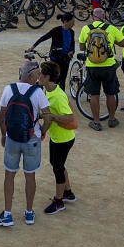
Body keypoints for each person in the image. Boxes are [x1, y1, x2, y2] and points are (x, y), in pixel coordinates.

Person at [0, 60, 51, 228]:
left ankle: (8, 214)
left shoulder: (8, 89)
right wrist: (43, 131)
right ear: (31, 75)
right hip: (32, 138)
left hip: (12, 138)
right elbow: (47, 117)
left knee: (9, 175)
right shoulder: (38, 92)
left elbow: (2, 116)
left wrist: (4, 134)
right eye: (37, 74)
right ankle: (29, 212)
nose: (39, 77)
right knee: (30, 175)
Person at [39, 60, 77, 214]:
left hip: (64, 138)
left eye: (41, 74)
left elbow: (69, 118)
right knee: (56, 163)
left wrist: (52, 117)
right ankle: (68, 192)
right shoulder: (47, 90)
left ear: (48, 77)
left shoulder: (58, 96)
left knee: (57, 168)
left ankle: (59, 201)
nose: (39, 76)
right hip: (57, 137)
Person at [77, 8, 124, 131]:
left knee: (94, 94)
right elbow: (123, 43)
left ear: (93, 16)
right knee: (110, 93)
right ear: (104, 16)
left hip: (92, 66)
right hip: (108, 65)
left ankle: (96, 122)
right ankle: (112, 119)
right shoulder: (111, 28)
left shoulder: (85, 28)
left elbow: (82, 46)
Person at [30, 13, 76, 88]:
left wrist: (72, 51)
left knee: (63, 79)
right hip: (56, 59)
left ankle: (61, 96)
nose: (74, 23)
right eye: (72, 21)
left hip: (66, 59)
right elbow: (43, 38)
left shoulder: (72, 32)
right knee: (55, 80)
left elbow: (72, 45)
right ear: (65, 21)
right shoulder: (56, 30)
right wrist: (33, 47)